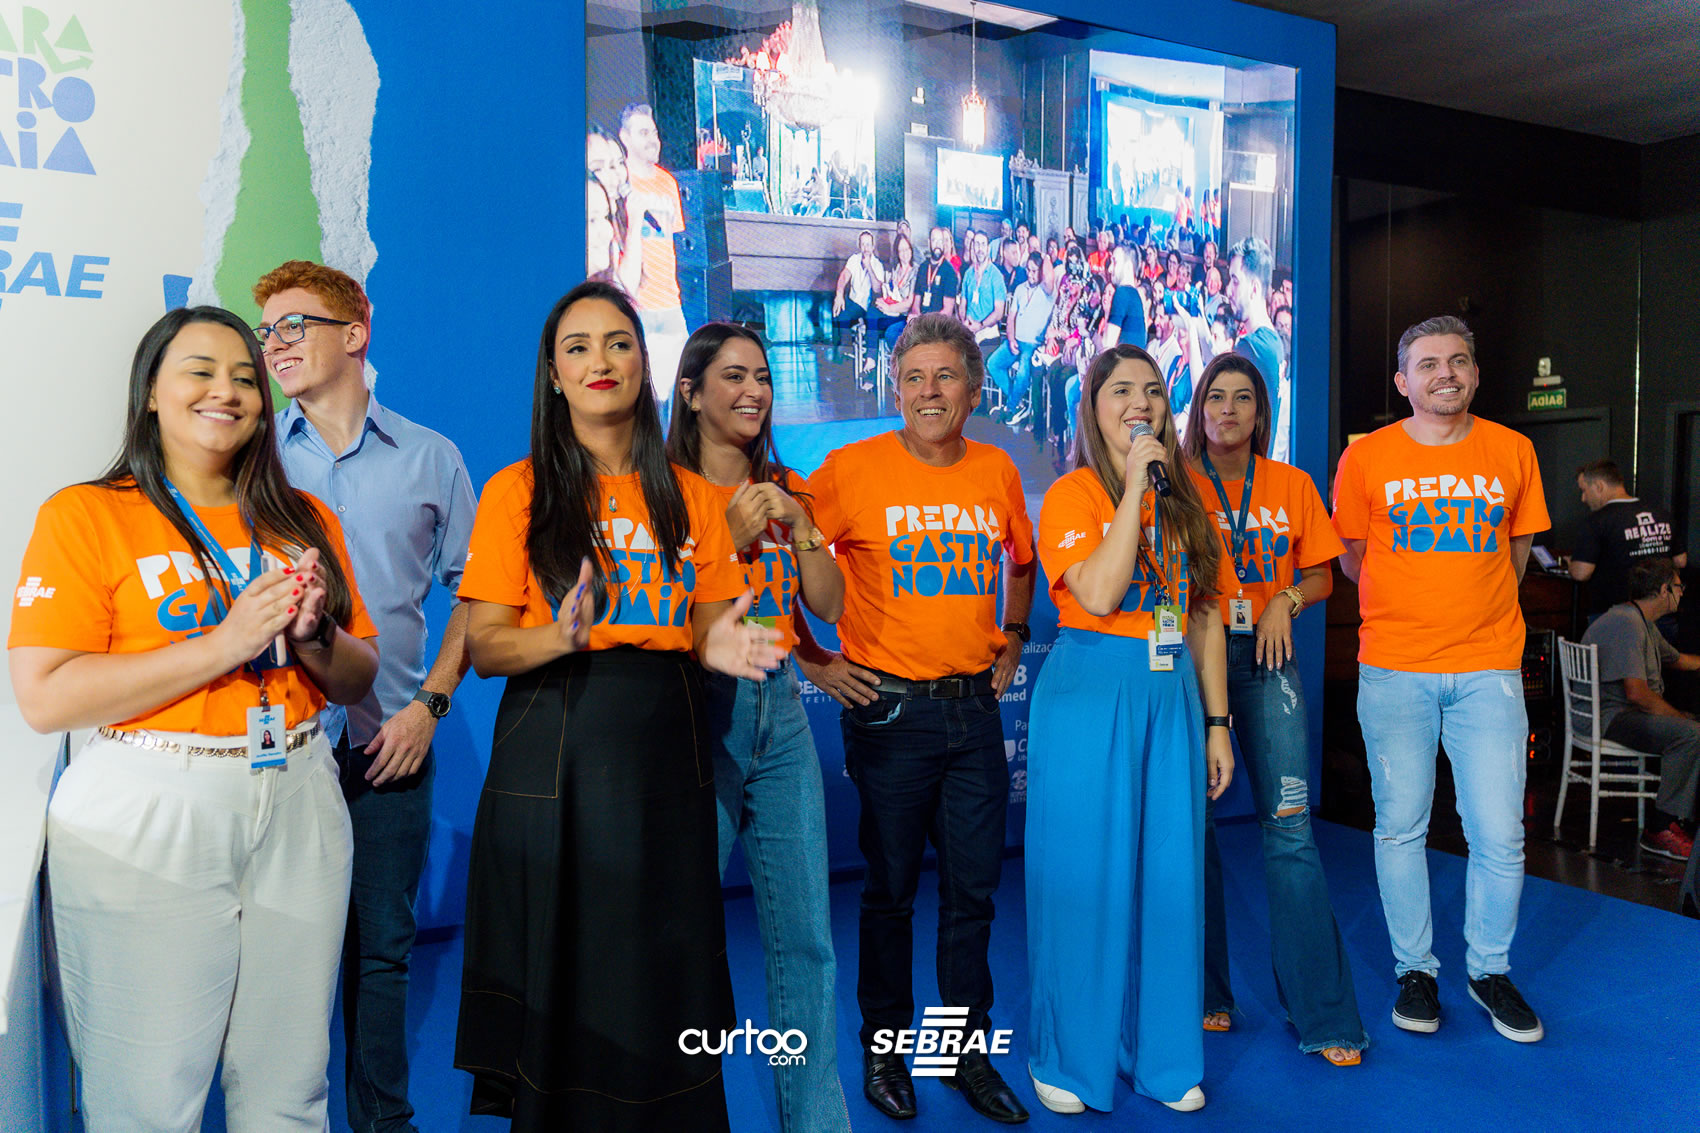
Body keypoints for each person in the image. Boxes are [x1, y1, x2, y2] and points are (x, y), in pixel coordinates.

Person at [9, 305, 379, 1129]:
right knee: (145, 1099)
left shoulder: (302, 519)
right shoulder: (88, 513)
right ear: (150, 392)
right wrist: (224, 645)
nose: (228, 391)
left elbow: (359, 677)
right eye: (201, 371)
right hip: (152, 799)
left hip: (298, 789)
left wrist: (314, 635)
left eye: (246, 377)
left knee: (292, 1088)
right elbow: (46, 694)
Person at [453, 280, 783, 1130]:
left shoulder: (693, 497)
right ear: (553, 374)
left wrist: (722, 645)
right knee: (566, 968)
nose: (599, 361)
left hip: (666, 752)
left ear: (644, 362)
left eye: (618, 343)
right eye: (578, 347)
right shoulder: (517, 491)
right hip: (554, 744)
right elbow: (486, 644)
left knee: (658, 965)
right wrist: (559, 637)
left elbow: (708, 624)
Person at [255, 258, 477, 1133]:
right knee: (284, 956)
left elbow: (476, 597)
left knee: (383, 952)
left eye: (294, 325)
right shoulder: (252, 459)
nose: (275, 344)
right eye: (267, 330)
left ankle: (383, 1122)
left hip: (391, 742)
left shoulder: (431, 456)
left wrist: (431, 707)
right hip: (282, 747)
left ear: (355, 331)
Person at [798, 314, 1035, 1125]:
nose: (929, 391)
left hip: (973, 714)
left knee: (973, 896)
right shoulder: (849, 469)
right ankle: (885, 1054)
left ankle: (961, 1055)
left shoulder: (998, 469)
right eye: (914, 378)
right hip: (890, 715)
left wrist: (1015, 633)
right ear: (894, 389)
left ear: (974, 388)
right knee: (891, 893)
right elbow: (777, 551)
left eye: (945, 376)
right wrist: (810, 658)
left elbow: (1023, 560)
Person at [1332, 315, 1551, 1045]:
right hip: (1395, 668)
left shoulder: (1513, 449)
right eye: (1427, 364)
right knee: (1401, 827)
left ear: (1476, 373)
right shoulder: (1366, 458)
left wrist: (1473, 613)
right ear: (1403, 381)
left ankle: (1489, 970)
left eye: (1458, 361)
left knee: (1500, 832)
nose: (1445, 373)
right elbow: (1354, 558)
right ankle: (1415, 971)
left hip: (1489, 669)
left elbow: (1515, 552)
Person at [1025, 343, 1231, 1116]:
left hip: (1170, 694)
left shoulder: (1186, 499)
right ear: (1093, 406)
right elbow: (1103, 591)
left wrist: (1217, 722)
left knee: (1171, 879)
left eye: (1152, 390)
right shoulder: (1073, 493)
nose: (1139, 403)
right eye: (1120, 390)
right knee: (1084, 880)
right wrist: (1137, 489)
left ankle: (1163, 1055)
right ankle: (1068, 1057)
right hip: (1091, 694)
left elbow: (1203, 615)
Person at [667, 323, 852, 1132]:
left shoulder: (786, 485)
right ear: (690, 392)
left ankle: (816, 1121)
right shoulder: (661, 490)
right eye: (734, 376)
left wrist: (799, 525)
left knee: (806, 934)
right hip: (694, 710)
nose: (753, 391)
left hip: (781, 711)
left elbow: (831, 604)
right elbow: (651, 611)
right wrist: (727, 535)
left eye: (763, 377)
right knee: (681, 935)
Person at [1181, 354, 1369, 1067]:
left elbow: (1321, 574)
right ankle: (1205, 991)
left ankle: (1324, 1013)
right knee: (1191, 830)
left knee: (1290, 830)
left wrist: (1284, 600)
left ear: (1262, 413)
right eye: (1215, 397)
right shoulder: (1176, 482)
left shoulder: (1290, 484)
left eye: (1242, 399)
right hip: (1188, 665)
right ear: (1199, 408)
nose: (1227, 410)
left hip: (1267, 662)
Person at [1580, 556, 1699, 859]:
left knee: (1692, 727)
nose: (1682, 592)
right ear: (1663, 590)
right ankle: (1660, 827)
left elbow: (1678, 660)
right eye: (1678, 587)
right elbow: (1637, 694)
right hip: (1612, 717)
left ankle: (1680, 818)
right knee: (1690, 734)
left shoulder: (1639, 620)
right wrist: (1680, 719)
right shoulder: (1627, 623)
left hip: (1622, 714)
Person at [619, 102, 689, 413]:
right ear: (625, 138)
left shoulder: (667, 182)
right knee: (642, 403)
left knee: (679, 398)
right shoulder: (618, 183)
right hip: (636, 306)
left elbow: (669, 244)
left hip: (670, 304)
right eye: (643, 133)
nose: (653, 140)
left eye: (655, 132)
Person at [1570, 459, 1686, 619]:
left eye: (1584, 490)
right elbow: (1680, 561)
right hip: (1662, 612)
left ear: (1599, 486)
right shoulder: (1662, 514)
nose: (1583, 498)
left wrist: (1571, 565)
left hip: (1614, 615)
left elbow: (1581, 573)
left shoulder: (1597, 520)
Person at [986, 250, 1054, 428]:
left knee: (1023, 370)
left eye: (1035, 271)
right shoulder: (1019, 289)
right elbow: (1011, 318)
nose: (1030, 274)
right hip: (1015, 340)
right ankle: (1019, 403)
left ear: (1041, 271)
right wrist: (1011, 338)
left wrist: (1045, 257)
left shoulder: (1047, 290)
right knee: (993, 364)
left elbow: (1049, 277)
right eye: (1028, 270)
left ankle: (1010, 407)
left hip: (1033, 344)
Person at [832, 229, 888, 374]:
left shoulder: (877, 264)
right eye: (863, 244)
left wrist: (869, 267)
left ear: (873, 247)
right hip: (853, 302)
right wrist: (839, 294)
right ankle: (843, 351)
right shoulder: (854, 259)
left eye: (868, 244)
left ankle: (848, 351)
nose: (865, 248)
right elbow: (844, 276)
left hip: (868, 306)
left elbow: (877, 289)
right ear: (859, 246)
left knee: (854, 315)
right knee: (838, 312)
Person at [959, 229, 1009, 354]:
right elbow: (962, 304)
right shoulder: (968, 274)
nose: (980, 248)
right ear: (973, 247)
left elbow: (999, 313)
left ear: (988, 248)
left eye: (983, 244)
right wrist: (965, 322)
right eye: (977, 244)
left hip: (988, 334)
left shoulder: (996, 276)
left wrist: (980, 325)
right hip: (968, 331)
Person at [874, 231, 919, 359]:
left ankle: (898, 363)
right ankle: (872, 360)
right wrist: (883, 302)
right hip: (892, 312)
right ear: (897, 253)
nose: (905, 253)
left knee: (880, 327)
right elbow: (889, 293)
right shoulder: (895, 269)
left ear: (911, 250)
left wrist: (889, 308)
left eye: (907, 249)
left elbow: (909, 303)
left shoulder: (916, 271)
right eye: (901, 250)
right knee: (871, 314)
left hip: (904, 315)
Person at [913, 226, 960, 320]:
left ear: (944, 244)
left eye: (940, 241)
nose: (937, 244)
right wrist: (917, 317)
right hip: (920, 320)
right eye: (934, 240)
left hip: (938, 324)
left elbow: (947, 311)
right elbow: (916, 303)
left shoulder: (950, 272)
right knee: (893, 328)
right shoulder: (922, 267)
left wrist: (926, 322)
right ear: (929, 242)